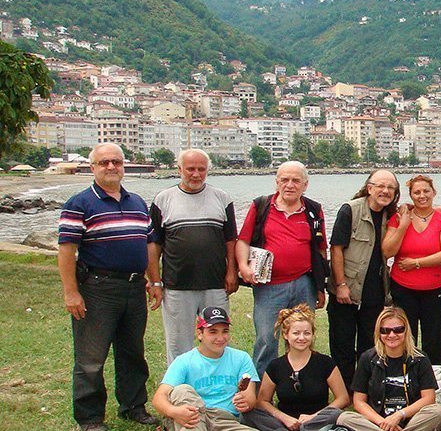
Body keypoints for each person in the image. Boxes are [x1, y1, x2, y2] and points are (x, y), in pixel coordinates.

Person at [57, 142, 158, 431]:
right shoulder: (80, 203)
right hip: (97, 288)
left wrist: (155, 280)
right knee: (91, 356)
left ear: (123, 166)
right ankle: (90, 417)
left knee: (132, 352)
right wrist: (71, 292)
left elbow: (149, 244)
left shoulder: (137, 202)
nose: (111, 167)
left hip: (134, 287)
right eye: (104, 162)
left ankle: (133, 406)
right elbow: (66, 250)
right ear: (93, 167)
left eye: (116, 161)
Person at [151, 306, 291, 431]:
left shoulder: (241, 359)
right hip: (189, 421)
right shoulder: (184, 361)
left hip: (224, 422)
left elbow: (251, 398)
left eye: (225, 331)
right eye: (213, 332)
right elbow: (158, 398)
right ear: (199, 333)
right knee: (182, 390)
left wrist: (245, 401)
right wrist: (174, 411)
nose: (220, 337)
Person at [148, 149, 239, 366]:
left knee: (217, 340)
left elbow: (230, 240)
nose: (196, 174)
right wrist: (155, 281)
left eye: (201, 169)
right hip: (177, 285)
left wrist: (232, 271)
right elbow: (153, 244)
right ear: (179, 169)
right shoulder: (163, 199)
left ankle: (216, 380)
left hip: (215, 284)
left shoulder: (222, 198)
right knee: (178, 345)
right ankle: (179, 384)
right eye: (190, 169)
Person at [236, 161, 327, 376]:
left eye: (296, 180)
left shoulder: (314, 210)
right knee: (267, 339)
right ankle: (261, 389)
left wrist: (320, 286)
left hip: (304, 283)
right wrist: (243, 266)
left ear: (305, 185)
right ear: (277, 182)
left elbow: (321, 250)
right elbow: (243, 240)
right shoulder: (261, 206)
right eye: (285, 180)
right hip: (269, 286)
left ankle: (299, 386)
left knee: (301, 338)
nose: (290, 185)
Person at [337, 307, 441, 431]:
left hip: (411, 421)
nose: (391, 335)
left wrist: (399, 415)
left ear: (406, 331)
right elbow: (359, 402)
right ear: (379, 333)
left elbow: (429, 398)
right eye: (385, 331)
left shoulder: (420, 359)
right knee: (344, 418)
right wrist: (382, 422)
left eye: (398, 330)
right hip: (377, 422)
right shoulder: (367, 358)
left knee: (440, 412)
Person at [243, 304, 350, 431]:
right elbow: (262, 401)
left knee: (337, 414)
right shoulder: (276, 366)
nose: (302, 338)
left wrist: (313, 416)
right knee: (251, 413)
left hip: (317, 421)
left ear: (313, 335)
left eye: (307, 333)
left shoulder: (325, 362)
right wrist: (284, 418)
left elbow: (343, 398)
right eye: (296, 333)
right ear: (286, 335)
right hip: (285, 424)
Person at [327, 170, 398, 389]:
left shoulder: (391, 215)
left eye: (391, 188)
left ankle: (364, 388)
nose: (385, 191)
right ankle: (344, 390)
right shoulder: (350, 210)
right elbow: (336, 248)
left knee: (370, 342)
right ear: (369, 188)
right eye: (380, 186)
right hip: (347, 286)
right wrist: (340, 284)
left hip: (375, 289)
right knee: (342, 342)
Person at [381, 175, 441, 365]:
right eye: (417, 192)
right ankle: (405, 374)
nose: (422, 195)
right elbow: (387, 251)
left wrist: (416, 263)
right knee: (404, 334)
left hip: (435, 288)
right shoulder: (400, 218)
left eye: (426, 191)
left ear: (433, 192)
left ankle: (433, 376)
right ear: (411, 195)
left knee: (433, 337)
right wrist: (403, 226)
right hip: (403, 288)